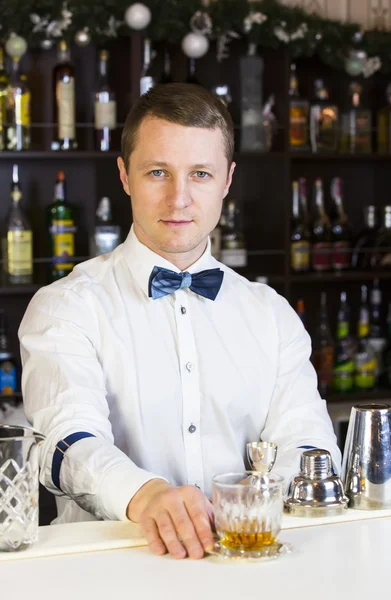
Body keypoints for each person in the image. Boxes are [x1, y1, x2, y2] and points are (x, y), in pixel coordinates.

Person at [19, 83, 341, 560]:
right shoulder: (65, 307)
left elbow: (310, 445)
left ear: (228, 180)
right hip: (109, 570)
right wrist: (145, 496)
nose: (179, 198)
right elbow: (66, 443)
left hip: (250, 563)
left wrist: (256, 507)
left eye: (201, 174)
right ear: (125, 176)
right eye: (157, 173)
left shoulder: (271, 315)